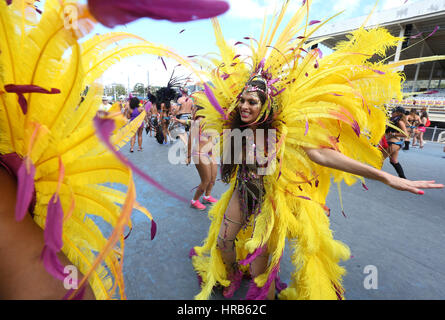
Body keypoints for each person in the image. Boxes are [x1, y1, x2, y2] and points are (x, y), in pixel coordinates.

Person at [188, 2, 444, 301]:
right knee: (223, 242)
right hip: (241, 192)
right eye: (242, 100)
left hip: (271, 201)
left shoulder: (282, 132)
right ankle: (227, 275)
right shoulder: (236, 130)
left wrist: (385, 177)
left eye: (252, 102)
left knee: (260, 267)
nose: (245, 106)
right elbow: (225, 161)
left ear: (265, 105)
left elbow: (323, 155)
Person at [383, 107, 409, 178]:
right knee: (393, 160)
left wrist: (394, 134)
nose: (392, 112)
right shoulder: (394, 120)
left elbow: (406, 134)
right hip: (395, 144)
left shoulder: (400, 122)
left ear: (398, 113)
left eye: (393, 111)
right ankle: (403, 178)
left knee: (379, 158)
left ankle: (375, 175)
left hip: (393, 143)